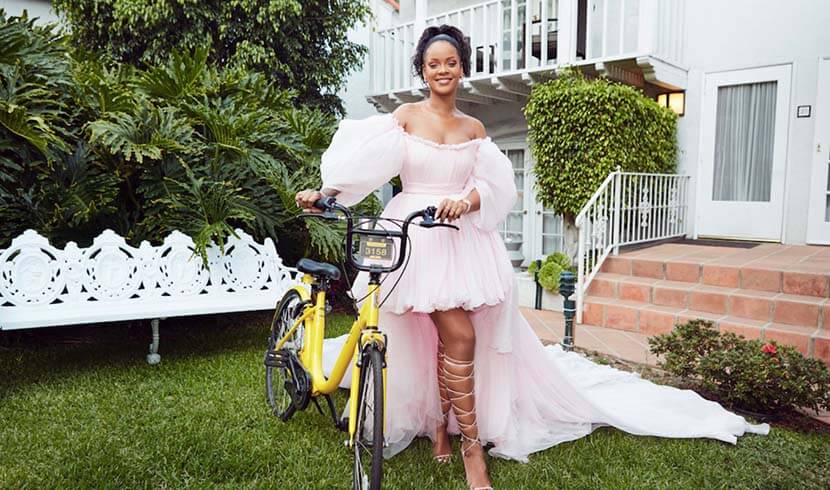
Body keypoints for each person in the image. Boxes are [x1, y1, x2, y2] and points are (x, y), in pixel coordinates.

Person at [295, 25, 768, 490]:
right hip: (415, 236)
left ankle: (451, 434)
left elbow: (498, 187)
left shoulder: (474, 128)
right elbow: (366, 165)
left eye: (451, 62)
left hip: (458, 238)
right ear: (422, 69)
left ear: (462, 68)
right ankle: (463, 443)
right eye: (433, 63)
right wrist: (326, 193)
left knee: (450, 338)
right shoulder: (405, 117)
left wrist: (467, 201)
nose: (442, 70)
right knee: (454, 335)